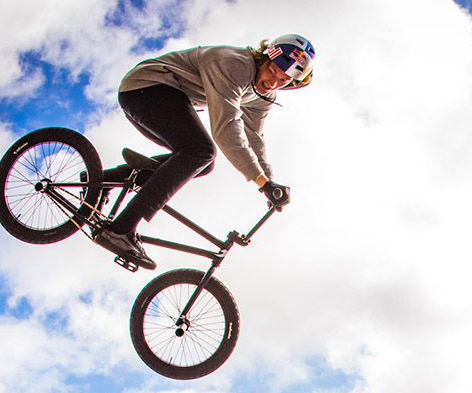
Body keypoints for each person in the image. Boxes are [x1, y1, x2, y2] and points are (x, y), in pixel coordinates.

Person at [94, 34, 316, 270]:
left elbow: (254, 138)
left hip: (162, 97)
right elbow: (226, 128)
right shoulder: (234, 65)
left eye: (283, 80)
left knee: (200, 162)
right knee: (200, 151)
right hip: (147, 88)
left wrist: (270, 182)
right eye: (272, 71)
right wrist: (261, 182)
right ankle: (120, 229)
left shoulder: (264, 95)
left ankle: (103, 181)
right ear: (264, 57)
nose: (272, 82)